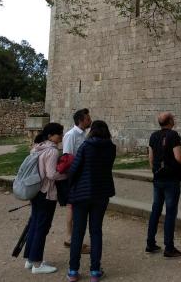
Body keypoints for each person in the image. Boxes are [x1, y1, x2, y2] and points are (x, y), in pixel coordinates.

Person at [66, 120, 116, 282]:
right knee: (96, 231)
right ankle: (95, 271)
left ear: (92, 131)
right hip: (101, 194)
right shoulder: (111, 148)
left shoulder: (86, 146)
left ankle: (73, 271)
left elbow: (74, 168)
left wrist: (70, 184)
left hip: (82, 193)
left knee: (78, 232)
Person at [23, 122, 67, 274]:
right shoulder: (52, 151)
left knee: (35, 224)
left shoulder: (37, 147)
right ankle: (37, 264)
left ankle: (30, 259)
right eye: (59, 133)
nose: (61, 136)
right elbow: (51, 174)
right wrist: (67, 175)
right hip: (46, 193)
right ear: (50, 135)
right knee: (42, 227)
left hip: (35, 191)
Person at [146, 112, 181, 258]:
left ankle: (150, 243)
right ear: (170, 121)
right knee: (170, 212)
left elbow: (151, 158)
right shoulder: (173, 135)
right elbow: (178, 156)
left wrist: (155, 171)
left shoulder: (153, 136)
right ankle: (169, 247)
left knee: (156, 210)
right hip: (171, 179)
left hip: (158, 178)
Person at [62, 108, 92, 249]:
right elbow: (67, 158)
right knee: (71, 206)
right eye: (87, 119)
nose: (89, 120)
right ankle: (69, 237)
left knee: (75, 207)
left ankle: (73, 237)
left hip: (82, 176)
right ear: (81, 120)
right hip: (74, 176)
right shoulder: (71, 135)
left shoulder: (83, 134)